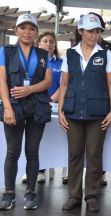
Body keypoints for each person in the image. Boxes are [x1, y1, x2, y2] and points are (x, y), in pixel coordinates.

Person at [58, 13, 111, 212]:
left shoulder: (105, 53)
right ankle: (74, 196)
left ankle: (91, 196)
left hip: (97, 112)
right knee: (74, 154)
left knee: (94, 154)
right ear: (81, 31)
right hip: (73, 110)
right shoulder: (70, 54)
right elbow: (64, 83)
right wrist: (60, 110)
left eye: (98, 31)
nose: (94, 35)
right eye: (90, 31)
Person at [0, 14, 52, 210]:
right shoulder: (5, 51)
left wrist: (29, 89)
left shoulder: (43, 54)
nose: (27, 32)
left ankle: (30, 193)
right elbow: (2, 81)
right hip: (13, 106)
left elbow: (47, 81)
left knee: (32, 152)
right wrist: (7, 107)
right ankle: (9, 193)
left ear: (36, 33)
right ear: (16, 30)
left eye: (31, 29)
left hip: (37, 106)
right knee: (12, 152)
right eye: (23, 28)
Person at [36, 31, 63, 183]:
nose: (48, 44)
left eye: (51, 41)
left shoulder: (60, 63)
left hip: (56, 107)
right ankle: (39, 170)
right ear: (39, 43)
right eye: (45, 41)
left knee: (55, 139)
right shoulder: (33, 62)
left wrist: (51, 100)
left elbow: (64, 85)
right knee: (38, 139)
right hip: (38, 106)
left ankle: (54, 166)